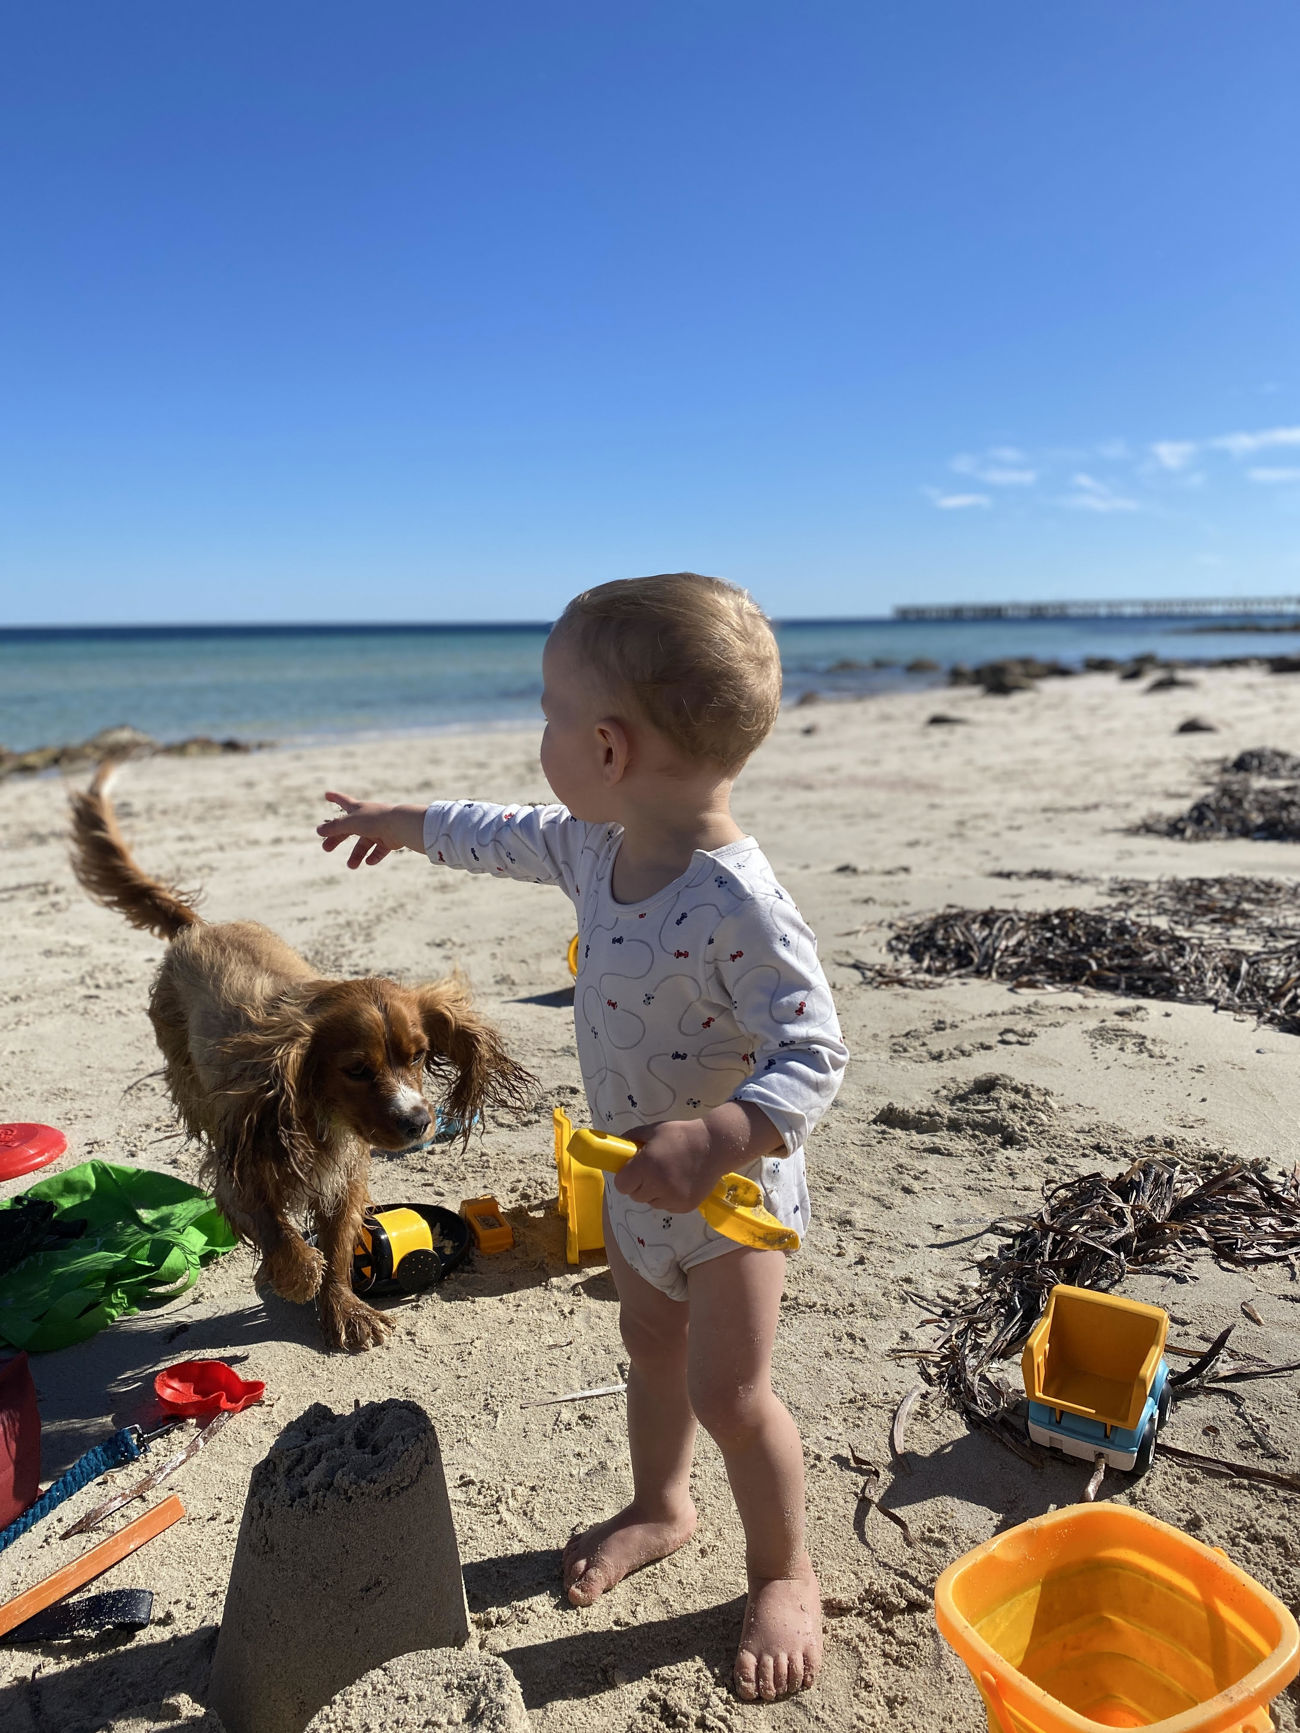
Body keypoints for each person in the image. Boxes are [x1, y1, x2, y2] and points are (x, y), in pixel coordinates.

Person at [316, 573, 848, 1701]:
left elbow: (815, 1052)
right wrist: (395, 825)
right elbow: (491, 830)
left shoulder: (740, 901)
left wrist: (720, 1136)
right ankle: (663, 1504)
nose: (540, 736)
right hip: (633, 1182)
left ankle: (783, 1568)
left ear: (607, 747)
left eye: (550, 714)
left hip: (731, 1199)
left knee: (733, 1393)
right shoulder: (590, 848)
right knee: (648, 1350)